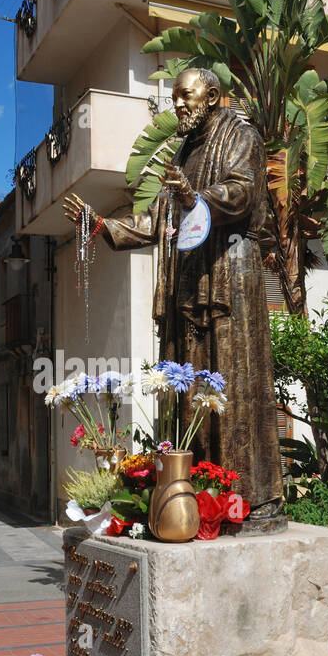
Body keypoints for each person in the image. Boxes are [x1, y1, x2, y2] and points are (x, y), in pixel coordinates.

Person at [63, 67, 285, 529]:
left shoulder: (239, 136)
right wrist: (103, 225)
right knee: (190, 391)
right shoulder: (185, 151)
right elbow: (158, 221)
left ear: (213, 95)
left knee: (232, 384)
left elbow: (242, 193)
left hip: (228, 276)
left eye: (187, 95)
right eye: (176, 97)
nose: (179, 104)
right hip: (189, 282)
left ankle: (251, 499)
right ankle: (200, 493)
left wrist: (196, 197)